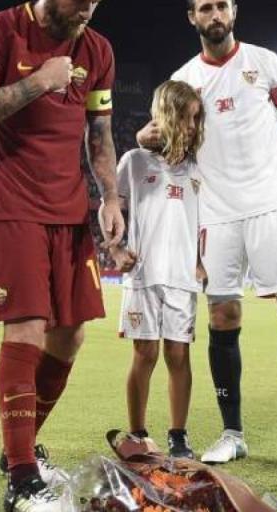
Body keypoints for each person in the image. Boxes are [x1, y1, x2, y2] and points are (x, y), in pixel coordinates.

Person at [0, 0, 123, 509]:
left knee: (70, 335)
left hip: (71, 210)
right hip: (13, 205)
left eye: (96, 1)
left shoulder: (97, 49)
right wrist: (39, 82)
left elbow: (99, 135)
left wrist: (111, 199)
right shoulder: (0, 31)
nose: (86, 11)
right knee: (25, 329)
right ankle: (23, 477)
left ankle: (18, 446)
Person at [137, 0, 277, 464]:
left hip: (275, 205)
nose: (214, 15)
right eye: (205, 8)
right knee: (224, 317)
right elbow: (159, 139)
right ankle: (232, 433)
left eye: (221, 6)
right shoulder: (183, 81)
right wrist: (148, 138)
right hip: (216, 214)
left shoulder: (265, 62)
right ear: (192, 18)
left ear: (234, 11)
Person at [112, 80, 205, 459]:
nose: (193, 126)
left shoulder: (200, 169)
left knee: (179, 357)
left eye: (197, 119)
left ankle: (178, 436)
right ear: (169, 115)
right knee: (145, 353)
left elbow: (206, 222)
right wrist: (117, 250)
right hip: (143, 274)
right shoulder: (133, 161)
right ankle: (137, 433)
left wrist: (202, 261)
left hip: (182, 277)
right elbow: (112, 211)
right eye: (188, 118)